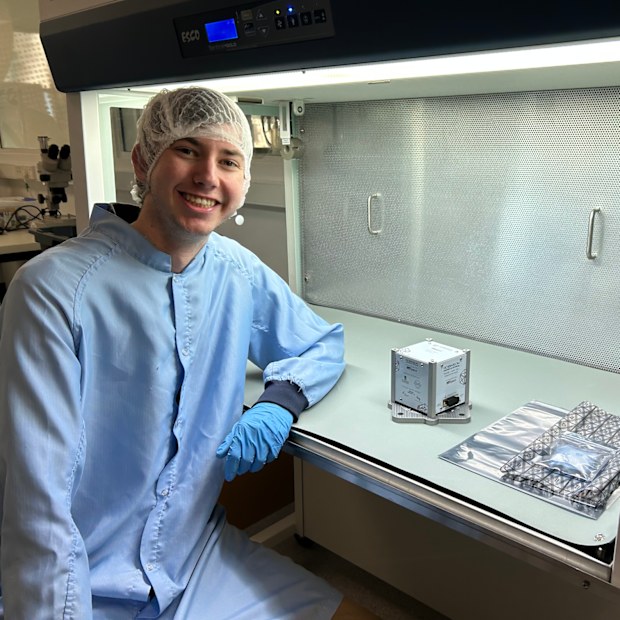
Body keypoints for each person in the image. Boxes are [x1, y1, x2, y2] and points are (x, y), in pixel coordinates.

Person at [0, 87, 378, 619]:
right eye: (186, 150)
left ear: (244, 182)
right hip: (80, 582)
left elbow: (321, 342)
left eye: (229, 161)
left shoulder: (236, 270)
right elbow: (39, 507)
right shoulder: (54, 290)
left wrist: (279, 402)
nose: (207, 176)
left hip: (191, 559)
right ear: (143, 161)